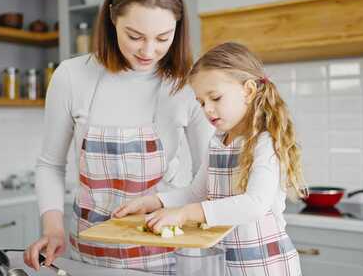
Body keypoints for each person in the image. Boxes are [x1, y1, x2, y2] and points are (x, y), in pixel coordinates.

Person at [23, 0, 214, 274]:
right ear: (112, 17)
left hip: (164, 253)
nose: (148, 51)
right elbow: (50, 164)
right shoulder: (72, 76)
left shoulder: (188, 84)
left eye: (163, 38)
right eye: (135, 36)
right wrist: (53, 228)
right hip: (89, 253)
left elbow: (208, 176)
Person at [113, 42, 307, 275]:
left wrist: (184, 213)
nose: (207, 109)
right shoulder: (217, 140)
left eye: (215, 98)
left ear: (248, 91)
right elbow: (197, 192)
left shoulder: (265, 142)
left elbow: (254, 204)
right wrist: (154, 202)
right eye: (201, 102)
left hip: (264, 265)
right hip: (226, 264)